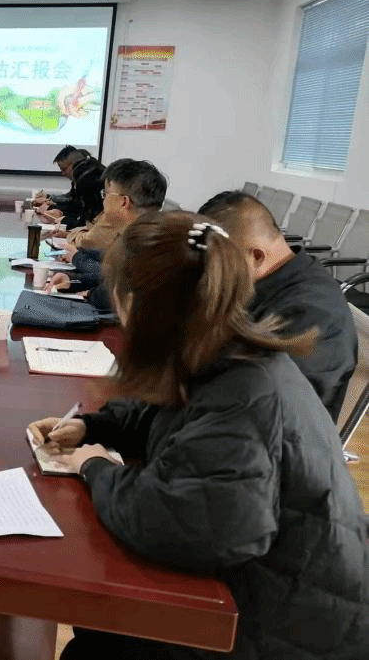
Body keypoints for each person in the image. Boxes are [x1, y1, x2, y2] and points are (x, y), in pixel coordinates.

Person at [31, 211, 369, 660]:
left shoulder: (244, 392)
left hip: (286, 631)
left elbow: (183, 525)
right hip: (280, 594)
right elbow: (167, 416)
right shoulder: (225, 352)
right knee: (99, 625)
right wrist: (95, 426)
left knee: (99, 635)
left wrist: (94, 467)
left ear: (140, 306)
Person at [198, 190, 356, 422]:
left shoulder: (314, 314)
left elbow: (260, 408)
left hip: (263, 435)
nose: (213, 276)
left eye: (216, 265)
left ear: (257, 257)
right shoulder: (273, 285)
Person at [50, 158, 167, 307]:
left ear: (123, 202)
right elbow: (114, 275)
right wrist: (73, 281)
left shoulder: (149, 244)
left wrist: (90, 294)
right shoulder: (144, 233)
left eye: (106, 193)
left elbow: (118, 290)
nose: (103, 200)